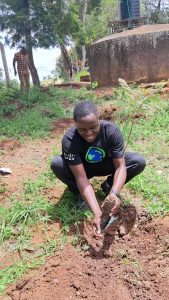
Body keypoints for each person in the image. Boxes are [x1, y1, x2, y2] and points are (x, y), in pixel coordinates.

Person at [51, 101, 146, 236]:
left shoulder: (111, 131)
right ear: (75, 124)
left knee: (137, 161)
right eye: (82, 129)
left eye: (93, 127)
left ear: (99, 119)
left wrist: (115, 193)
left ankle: (108, 187)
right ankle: (80, 194)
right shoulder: (69, 139)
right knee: (57, 163)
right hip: (82, 169)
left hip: (106, 165)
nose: (89, 133)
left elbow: (120, 166)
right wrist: (97, 212)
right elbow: (81, 177)